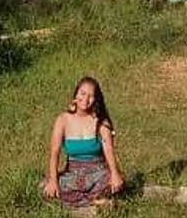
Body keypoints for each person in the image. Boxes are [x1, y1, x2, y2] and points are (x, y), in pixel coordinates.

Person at [43, 76, 125, 207]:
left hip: (98, 172)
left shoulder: (101, 122)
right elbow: (54, 152)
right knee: (46, 185)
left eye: (91, 96)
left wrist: (115, 174)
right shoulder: (63, 120)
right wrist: (53, 181)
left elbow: (109, 151)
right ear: (76, 94)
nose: (86, 99)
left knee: (112, 181)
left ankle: (91, 200)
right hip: (73, 173)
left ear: (95, 100)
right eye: (82, 93)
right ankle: (96, 201)